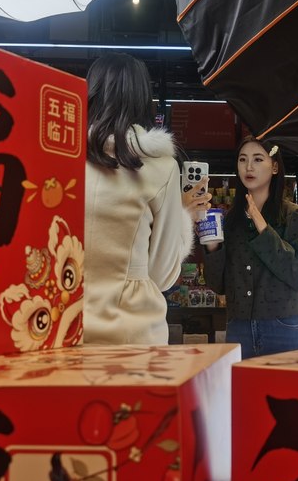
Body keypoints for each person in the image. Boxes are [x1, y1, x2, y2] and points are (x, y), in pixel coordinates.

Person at [83, 53, 211, 345]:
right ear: (142, 98)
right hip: (133, 331)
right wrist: (183, 217)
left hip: (64, 323)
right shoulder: (161, 167)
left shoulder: (60, 157)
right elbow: (161, 275)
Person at [203, 136, 298, 358]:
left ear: (274, 167)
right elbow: (218, 285)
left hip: (285, 328)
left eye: (257, 159)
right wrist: (212, 248)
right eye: (242, 159)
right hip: (239, 329)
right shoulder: (230, 221)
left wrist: (262, 226)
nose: (248, 167)